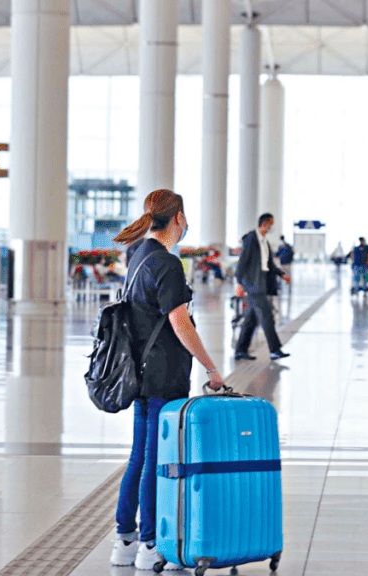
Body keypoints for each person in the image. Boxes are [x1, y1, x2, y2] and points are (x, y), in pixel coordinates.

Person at [109, 189, 225, 571]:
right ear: (177, 217)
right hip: (161, 375)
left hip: (140, 372)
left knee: (138, 457)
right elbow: (180, 322)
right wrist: (210, 367)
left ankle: (125, 539)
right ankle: (150, 545)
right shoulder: (167, 264)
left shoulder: (138, 255)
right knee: (155, 460)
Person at [234, 213, 292, 361]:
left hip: (262, 284)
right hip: (254, 285)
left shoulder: (264, 241)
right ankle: (275, 350)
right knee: (267, 317)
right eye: (270, 223)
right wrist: (239, 283)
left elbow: (269, 264)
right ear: (264, 223)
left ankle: (240, 350)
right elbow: (242, 263)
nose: (271, 226)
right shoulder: (251, 239)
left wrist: (282, 274)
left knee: (251, 320)